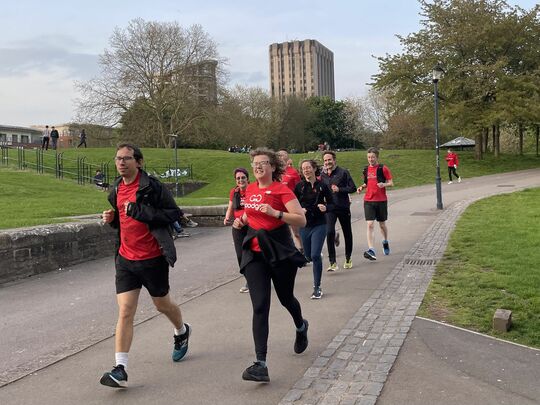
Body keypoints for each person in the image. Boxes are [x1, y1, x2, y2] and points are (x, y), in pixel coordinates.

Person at [100, 143, 191, 388]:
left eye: (127, 158)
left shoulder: (153, 187)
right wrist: (112, 220)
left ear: (138, 162)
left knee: (163, 305)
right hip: (126, 259)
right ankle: (120, 368)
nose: (121, 163)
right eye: (118, 158)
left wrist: (142, 211)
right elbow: (123, 221)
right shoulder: (116, 188)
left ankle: (181, 331)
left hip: (152, 258)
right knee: (126, 311)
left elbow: (173, 214)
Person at [233, 147, 308, 383]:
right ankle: (260, 363)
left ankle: (300, 325)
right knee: (260, 306)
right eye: (255, 163)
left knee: (286, 298)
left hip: (279, 251)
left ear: (273, 167)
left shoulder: (281, 189)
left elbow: (301, 219)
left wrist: (276, 213)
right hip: (255, 254)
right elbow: (251, 213)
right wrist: (241, 219)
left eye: (263, 162)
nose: (258, 166)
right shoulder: (250, 189)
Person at [294, 159, 333, 299]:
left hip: (319, 224)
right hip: (305, 225)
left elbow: (333, 203)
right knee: (309, 256)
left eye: (308, 167)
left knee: (315, 255)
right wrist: (299, 210)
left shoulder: (322, 185)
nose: (306, 170)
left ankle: (317, 287)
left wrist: (326, 207)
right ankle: (317, 253)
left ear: (314, 168)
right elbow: (292, 204)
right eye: (303, 168)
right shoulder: (299, 187)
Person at [320, 150, 357, 271]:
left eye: (329, 160)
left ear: (334, 160)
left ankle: (348, 258)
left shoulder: (343, 172)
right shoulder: (322, 175)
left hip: (343, 207)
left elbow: (353, 188)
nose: (327, 162)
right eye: (325, 160)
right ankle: (332, 262)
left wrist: (339, 189)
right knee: (329, 232)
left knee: (347, 233)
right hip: (330, 208)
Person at [357, 147, 394, 261]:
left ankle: (385, 241)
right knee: (370, 224)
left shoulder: (383, 168)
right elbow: (366, 183)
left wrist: (384, 185)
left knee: (382, 225)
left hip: (381, 200)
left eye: (372, 157)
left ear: (377, 157)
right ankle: (371, 250)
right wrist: (361, 187)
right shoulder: (365, 169)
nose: (370, 159)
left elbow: (391, 183)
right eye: (368, 157)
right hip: (368, 200)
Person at [223, 167, 250, 293]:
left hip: (251, 226)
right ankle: (249, 278)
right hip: (237, 226)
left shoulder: (253, 190)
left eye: (243, 177)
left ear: (247, 178)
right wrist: (227, 216)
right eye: (238, 178)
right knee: (240, 255)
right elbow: (230, 207)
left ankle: (255, 279)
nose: (241, 180)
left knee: (252, 253)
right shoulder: (234, 192)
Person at [276, 149, 302, 250]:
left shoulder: (293, 172)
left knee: (297, 232)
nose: (280, 157)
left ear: (286, 158)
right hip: (279, 206)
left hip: (291, 205)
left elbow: (300, 188)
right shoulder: (275, 172)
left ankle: (304, 250)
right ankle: (298, 251)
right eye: (278, 156)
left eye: (282, 156)